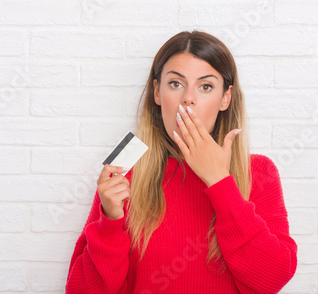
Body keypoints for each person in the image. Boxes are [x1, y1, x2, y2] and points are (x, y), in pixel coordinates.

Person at [65, 30, 297, 294]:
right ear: (156, 92)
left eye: (205, 86)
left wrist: (221, 183)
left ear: (225, 98)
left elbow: (272, 279)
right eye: (176, 84)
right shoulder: (125, 172)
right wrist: (110, 221)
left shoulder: (258, 172)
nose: (188, 98)